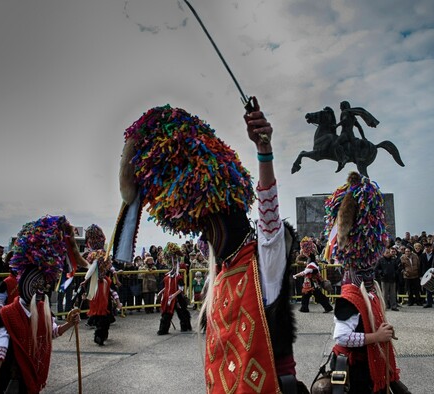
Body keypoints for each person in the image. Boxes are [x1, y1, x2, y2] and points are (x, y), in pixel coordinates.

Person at [111, 98, 308, 392]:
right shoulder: (217, 278)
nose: (207, 234)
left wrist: (264, 152)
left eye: (212, 221)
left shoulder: (261, 263)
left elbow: (269, 220)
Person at [0, 215, 87, 394]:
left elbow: (52, 332)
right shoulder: (8, 314)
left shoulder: (42, 309)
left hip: (32, 373)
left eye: (44, 285)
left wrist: (70, 323)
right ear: (25, 284)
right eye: (37, 285)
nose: (41, 290)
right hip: (13, 376)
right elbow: (0, 347)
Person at [326, 172, 408, 393]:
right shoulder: (349, 298)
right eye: (368, 264)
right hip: (358, 374)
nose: (372, 268)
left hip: (368, 371)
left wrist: (383, 330)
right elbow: (341, 336)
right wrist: (376, 337)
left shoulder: (369, 292)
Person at [157, 258, 191, 334]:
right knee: (166, 313)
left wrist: (174, 295)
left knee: (182, 313)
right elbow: (167, 286)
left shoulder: (178, 277)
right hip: (168, 297)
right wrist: (161, 292)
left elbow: (181, 288)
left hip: (177, 297)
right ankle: (163, 329)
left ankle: (185, 326)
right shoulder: (166, 277)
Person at [419, 241, 434, 309]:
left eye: (428, 247)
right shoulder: (422, 256)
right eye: (425, 247)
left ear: (431, 247)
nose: (426, 248)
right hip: (425, 274)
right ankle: (429, 303)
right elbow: (420, 266)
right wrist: (420, 275)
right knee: (427, 289)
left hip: (433, 274)